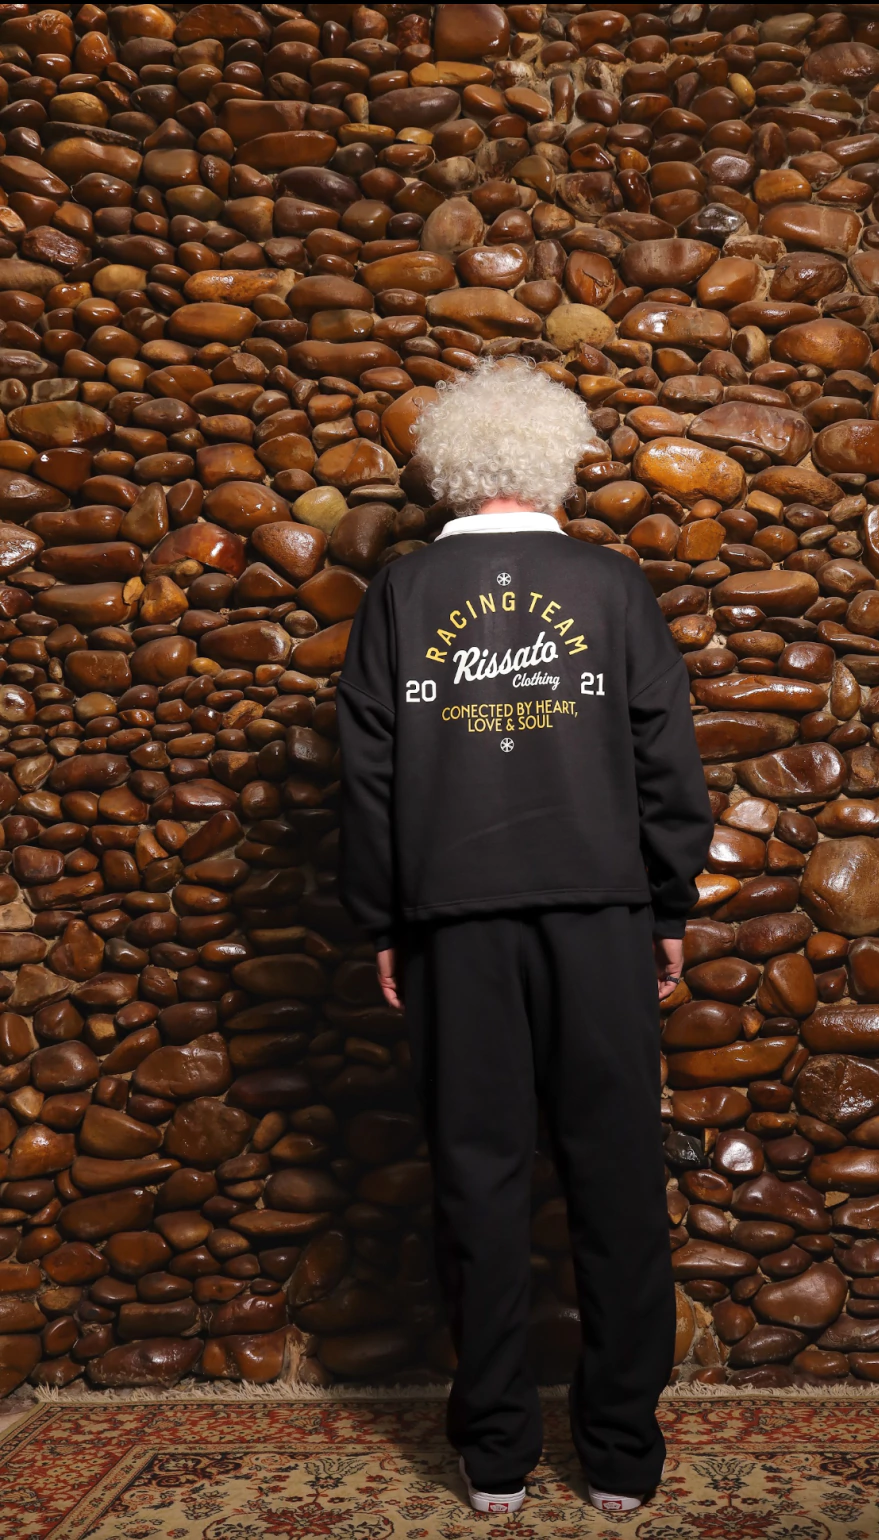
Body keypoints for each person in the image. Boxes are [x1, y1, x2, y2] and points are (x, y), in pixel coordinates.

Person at [336, 358, 713, 1516]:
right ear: (557, 457)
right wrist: (665, 903)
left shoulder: (400, 594)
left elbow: (367, 769)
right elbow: (664, 753)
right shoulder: (609, 585)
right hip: (600, 914)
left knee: (477, 1175)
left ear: (449, 466)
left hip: (452, 924)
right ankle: (622, 1456)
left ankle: (495, 1453)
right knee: (617, 1175)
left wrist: (384, 917)